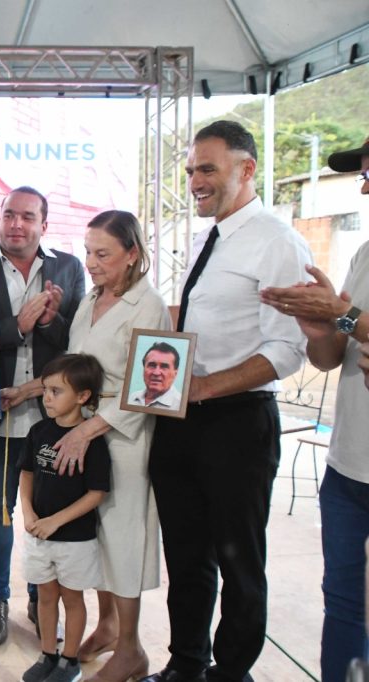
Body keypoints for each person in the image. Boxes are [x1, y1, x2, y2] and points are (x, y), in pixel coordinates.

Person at [143, 121, 313, 682]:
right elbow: (197, 322)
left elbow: (289, 349)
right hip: (181, 420)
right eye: (191, 169)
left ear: (246, 170)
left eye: (207, 168)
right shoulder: (207, 238)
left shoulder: (276, 240)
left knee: (240, 562)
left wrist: (207, 387)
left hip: (237, 423)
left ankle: (231, 672)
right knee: (187, 556)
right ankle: (186, 664)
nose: (195, 180)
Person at [4, 210, 170, 682]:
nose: (90, 263)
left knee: (121, 541)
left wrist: (87, 430)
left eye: (103, 254)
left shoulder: (149, 305)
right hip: (82, 430)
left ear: (132, 254)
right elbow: (77, 372)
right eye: (88, 251)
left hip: (121, 438)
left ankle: (131, 650)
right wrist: (31, 390)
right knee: (93, 540)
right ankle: (109, 626)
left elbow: (152, 389)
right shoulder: (91, 299)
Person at [259, 135, 369, 682]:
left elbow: (355, 322)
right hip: (349, 464)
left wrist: (345, 315)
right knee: (343, 602)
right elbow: (332, 358)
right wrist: (320, 327)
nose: (366, 184)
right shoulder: (366, 253)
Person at [0, 185, 85, 647]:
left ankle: (43, 601)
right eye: (8, 215)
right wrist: (15, 326)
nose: (16, 224)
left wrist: (48, 321)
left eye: (27, 217)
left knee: (48, 511)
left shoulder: (68, 268)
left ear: (44, 223)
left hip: (51, 416)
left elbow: (76, 341)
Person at [17, 353, 110, 682]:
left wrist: (57, 520)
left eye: (57, 391)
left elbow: (96, 493)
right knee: (45, 596)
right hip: (38, 536)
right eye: (45, 390)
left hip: (75, 540)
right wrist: (28, 512)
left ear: (83, 396)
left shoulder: (92, 440)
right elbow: (26, 474)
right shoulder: (38, 431)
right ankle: (47, 655)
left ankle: (69, 660)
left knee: (72, 598)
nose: (47, 398)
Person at [128, 343, 181, 411]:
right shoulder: (132, 398)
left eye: (164, 366)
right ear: (144, 368)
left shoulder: (179, 405)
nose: (156, 373)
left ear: (175, 373)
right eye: (152, 365)